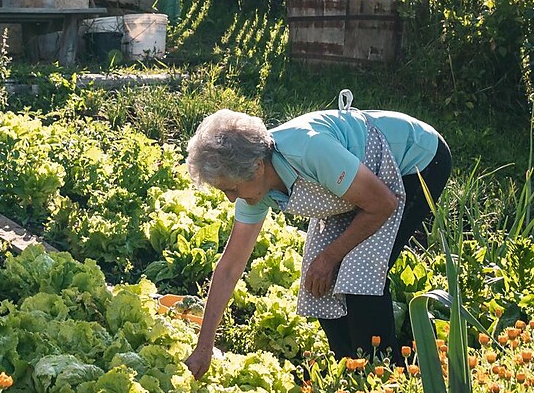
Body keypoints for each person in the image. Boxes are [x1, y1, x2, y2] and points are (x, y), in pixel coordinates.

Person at [181, 101, 451, 377]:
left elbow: (382, 203)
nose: (231, 198)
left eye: (232, 189)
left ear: (258, 167)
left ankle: (384, 379)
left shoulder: (309, 150)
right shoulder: (251, 184)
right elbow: (229, 267)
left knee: (359, 278)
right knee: (318, 283)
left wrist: (331, 257)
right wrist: (204, 346)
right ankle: (352, 371)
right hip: (362, 187)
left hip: (416, 161)